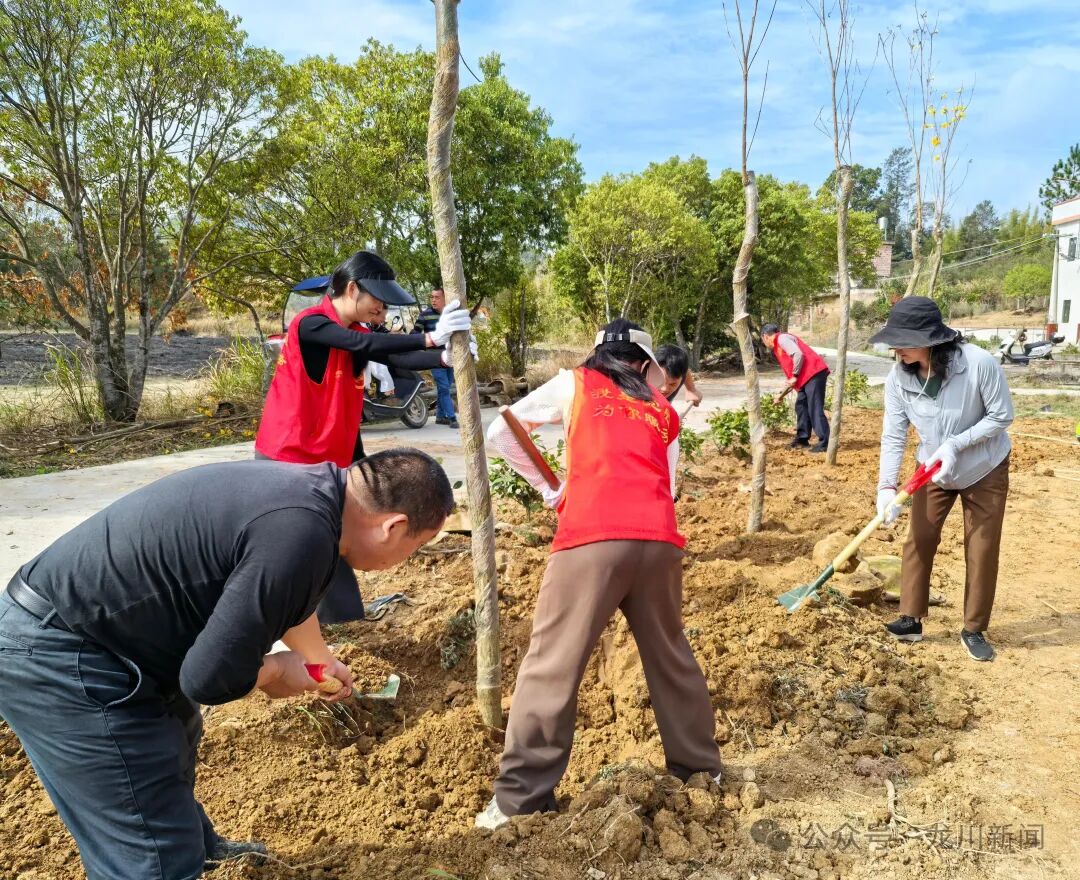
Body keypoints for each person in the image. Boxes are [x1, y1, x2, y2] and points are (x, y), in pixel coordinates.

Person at [0, 449, 453, 880]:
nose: (404, 561)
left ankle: (201, 851)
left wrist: (319, 660)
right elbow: (209, 679)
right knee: (149, 845)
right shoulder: (300, 536)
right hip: (61, 654)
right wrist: (275, 672)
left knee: (173, 740)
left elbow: (284, 594)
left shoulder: (316, 499)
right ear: (393, 526)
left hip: (107, 632)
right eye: (415, 547)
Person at [476, 319, 722, 829]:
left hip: (592, 537)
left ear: (598, 357)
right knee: (671, 656)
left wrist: (553, 490)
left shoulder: (574, 383)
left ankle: (519, 801)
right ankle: (702, 772)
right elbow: (668, 483)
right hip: (658, 539)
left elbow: (501, 432)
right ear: (646, 366)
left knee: (553, 663)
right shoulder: (661, 408)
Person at [255, 251, 470, 623]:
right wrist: (430, 337)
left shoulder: (358, 332)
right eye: (378, 300)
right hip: (289, 460)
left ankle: (339, 619)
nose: (382, 310)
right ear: (352, 289)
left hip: (329, 461)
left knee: (330, 540)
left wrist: (445, 358)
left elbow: (395, 358)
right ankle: (284, 620)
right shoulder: (311, 325)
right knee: (298, 544)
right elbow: (366, 346)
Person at [870, 297, 1013, 662]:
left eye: (903, 341)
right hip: (933, 467)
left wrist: (956, 444)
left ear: (931, 340)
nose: (896, 349)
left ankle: (973, 628)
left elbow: (1001, 416)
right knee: (919, 537)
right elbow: (893, 435)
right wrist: (886, 487)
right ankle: (911, 618)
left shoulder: (979, 363)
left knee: (981, 546)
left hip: (984, 466)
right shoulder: (898, 378)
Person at [760, 324, 831, 452]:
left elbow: (798, 354)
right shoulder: (778, 347)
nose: (764, 343)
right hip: (806, 378)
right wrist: (780, 396)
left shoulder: (781, 338)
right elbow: (791, 380)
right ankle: (802, 440)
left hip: (814, 373)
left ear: (765, 336)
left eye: (763, 340)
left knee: (814, 408)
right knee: (801, 406)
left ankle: (825, 443)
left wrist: (795, 375)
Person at [412, 286, 459, 428]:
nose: (433, 300)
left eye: (437, 297)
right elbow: (415, 333)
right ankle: (452, 418)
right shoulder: (425, 315)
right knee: (444, 387)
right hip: (434, 358)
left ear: (445, 298)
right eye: (432, 297)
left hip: (450, 357)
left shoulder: (450, 314)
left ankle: (439, 416)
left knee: (445, 387)